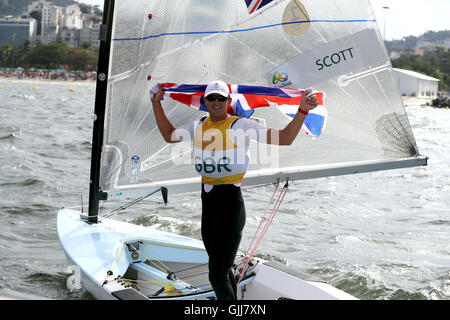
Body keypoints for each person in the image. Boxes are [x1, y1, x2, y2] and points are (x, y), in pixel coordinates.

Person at [151, 80, 319, 300]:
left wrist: (302, 110)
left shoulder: (240, 126)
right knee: (222, 268)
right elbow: (169, 135)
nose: (216, 102)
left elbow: (285, 139)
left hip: (230, 203)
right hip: (208, 203)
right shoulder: (198, 124)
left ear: (229, 101)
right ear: (205, 101)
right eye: (211, 98)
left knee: (216, 275)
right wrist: (156, 102)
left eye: (221, 98)